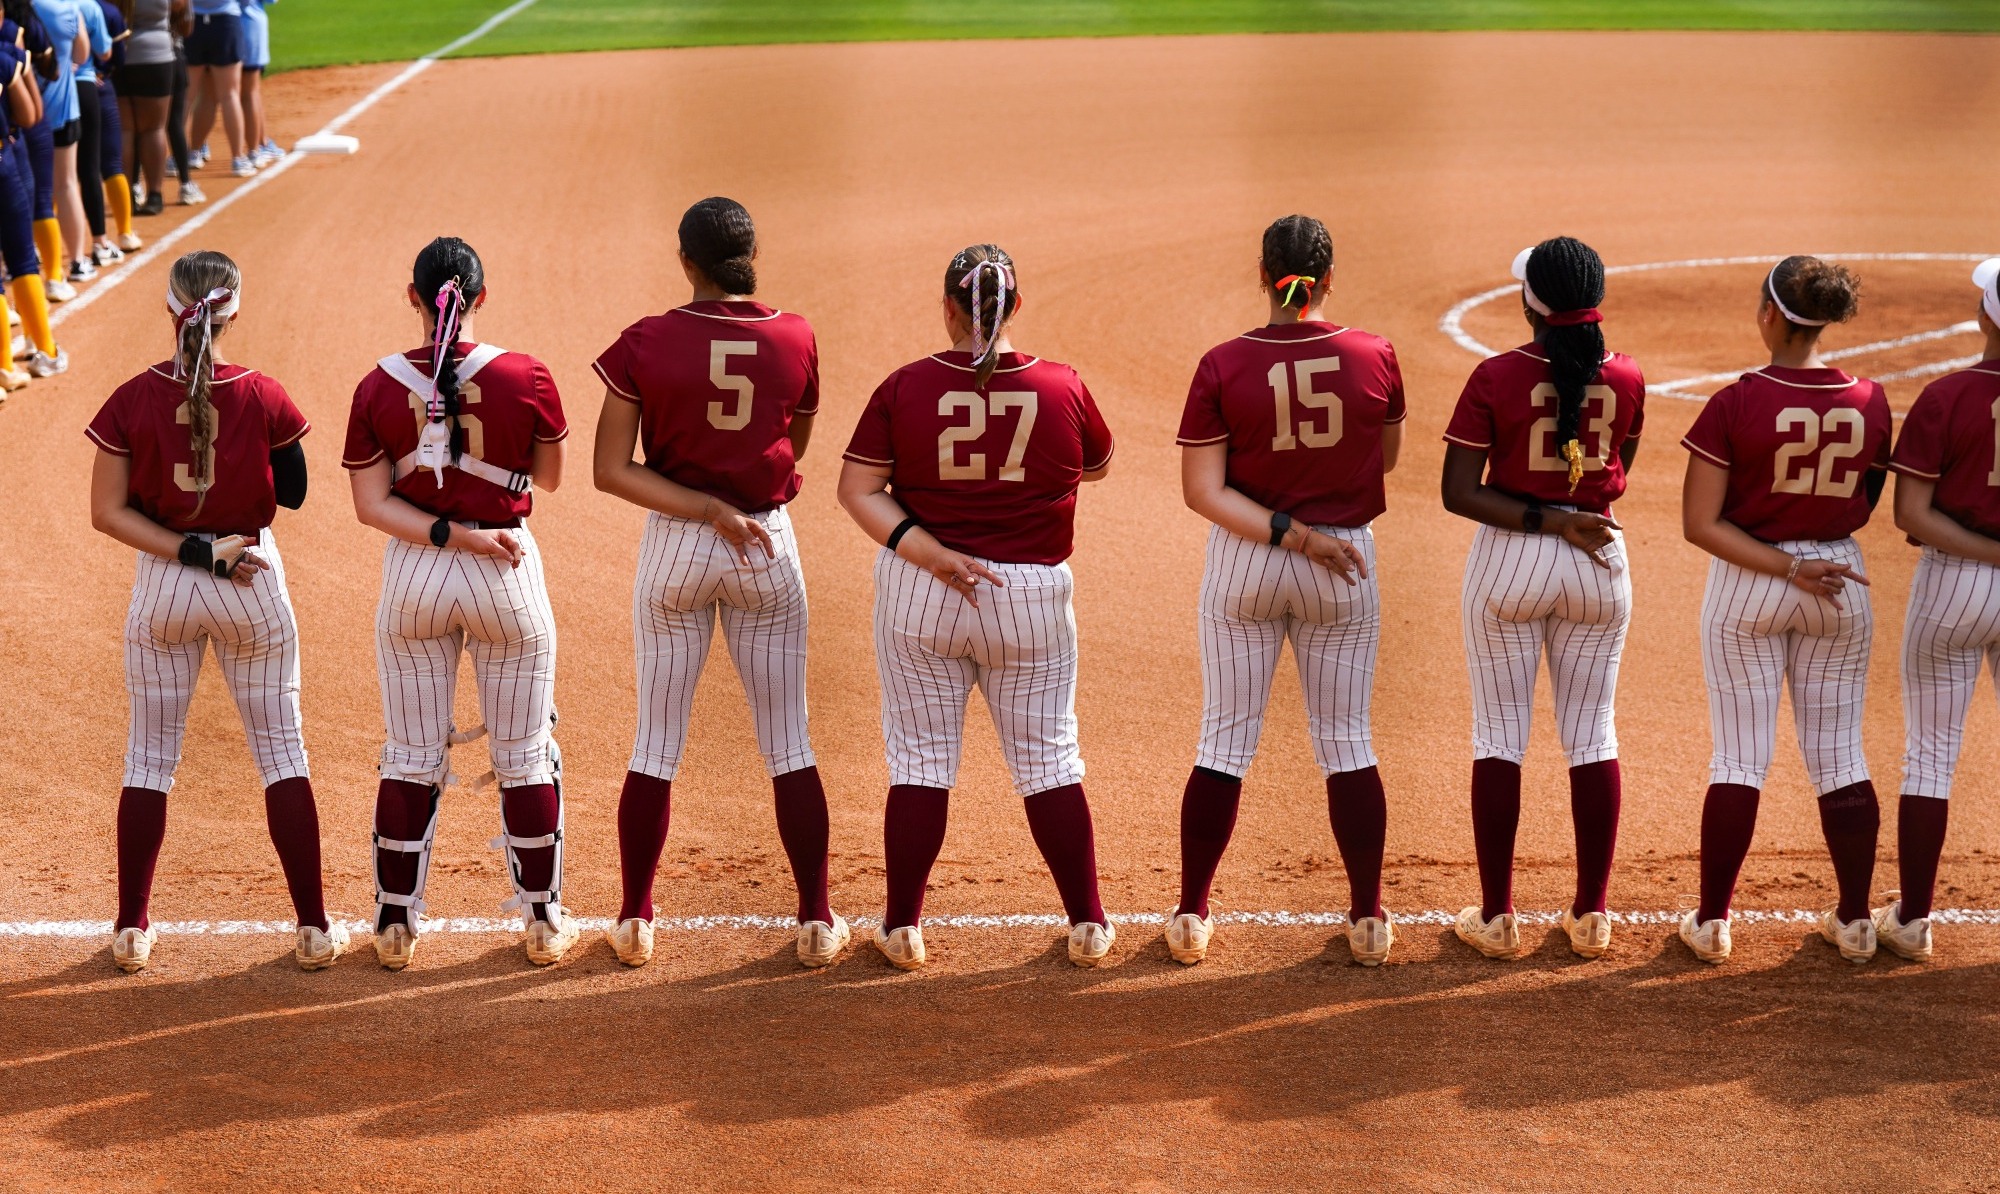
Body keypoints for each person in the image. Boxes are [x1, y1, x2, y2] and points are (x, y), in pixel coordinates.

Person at [838, 244, 1117, 970]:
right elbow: (1096, 463)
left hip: (922, 592)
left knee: (920, 761)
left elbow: (857, 490)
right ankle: (1088, 923)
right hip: (1027, 601)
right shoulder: (1062, 386)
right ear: (1016, 307)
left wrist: (927, 550)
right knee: (1051, 760)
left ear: (947, 308)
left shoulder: (905, 386)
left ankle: (902, 927)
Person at [591, 197, 844, 970]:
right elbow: (793, 444)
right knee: (789, 739)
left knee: (656, 741)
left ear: (685, 260)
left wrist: (702, 504)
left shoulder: (645, 341)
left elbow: (610, 471)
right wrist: (738, 495)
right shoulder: (794, 334)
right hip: (765, 542)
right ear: (752, 255)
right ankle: (816, 917)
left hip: (677, 545)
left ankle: (636, 917)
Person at [85, 248, 341, 974]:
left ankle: (132, 929)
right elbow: (290, 494)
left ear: (172, 312)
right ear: (232, 315)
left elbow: (107, 512)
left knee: (148, 758)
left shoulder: (130, 399)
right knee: (283, 755)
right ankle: (315, 929)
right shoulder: (263, 393)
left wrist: (189, 551)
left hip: (165, 584)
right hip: (251, 577)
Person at [1167, 214, 1404, 966]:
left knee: (1224, 740)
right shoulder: (1375, 354)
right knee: (1347, 742)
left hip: (1248, 560)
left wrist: (1286, 533)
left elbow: (1202, 491)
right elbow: (1384, 456)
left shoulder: (1222, 363)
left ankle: (1191, 914)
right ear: (1328, 278)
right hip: (1346, 564)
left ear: (1262, 273)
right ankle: (1368, 916)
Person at [344, 237, 573, 971]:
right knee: (525, 756)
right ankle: (541, 920)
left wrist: (445, 527)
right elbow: (550, 476)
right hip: (506, 566)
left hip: (416, 572)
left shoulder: (376, 387)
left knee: (410, 756)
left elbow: (370, 506)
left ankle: (393, 924)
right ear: (481, 296)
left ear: (414, 297)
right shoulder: (526, 374)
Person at [1678, 255, 1890, 966]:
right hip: (1840, 581)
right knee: (1839, 753)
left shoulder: (1735, 402)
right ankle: (1858, 921)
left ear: (1770, 314)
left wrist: (1786, 565)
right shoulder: (1872, 400)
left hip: (1752, 581)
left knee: (1740, 754)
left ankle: (1712, 923)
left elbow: (1702, 525)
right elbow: (1864, 503)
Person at [1440, 237, 1645, 961]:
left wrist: (1541, 518)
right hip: (1598, 555)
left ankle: (1497, 916)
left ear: (1530, 301)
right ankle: (1592, 914)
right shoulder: (1627, 376)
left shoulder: (1494, 375)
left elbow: (1458, 491)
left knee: (1500, 736)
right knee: (1595, 734)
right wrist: (1569, 513)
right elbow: (1618, 469)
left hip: (1511, 561)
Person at [1876, 259, 2000, 963]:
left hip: (1953, 586)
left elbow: (1911, 514)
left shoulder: (1945, 396)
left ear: (1986, 316)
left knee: (1929, 758)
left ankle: (1914, 919)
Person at [30, 0, 90, 287]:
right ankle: (77, 261)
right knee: (65, 185)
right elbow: (83, 52)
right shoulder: (65, 7)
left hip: (21, 114)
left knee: (26, 191)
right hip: (61, 110)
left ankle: (24, 261)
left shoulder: (14, 9)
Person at [0, 21, 45, 388]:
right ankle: (42, 350)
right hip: (3, 164)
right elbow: (31, 116)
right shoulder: (3, 59)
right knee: (21, 259)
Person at [116, 0, 184, 214]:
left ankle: (127, 195)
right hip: (155, 53)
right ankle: (154, 195)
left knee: (126, 130)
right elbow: (181, 8)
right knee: (154, 128)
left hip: (120, 54)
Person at [183, 0, 247, 177]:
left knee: (186, 97)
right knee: (230, 95)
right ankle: (237, 159)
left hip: (192, 23)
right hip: (226, 22)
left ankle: (179, 157)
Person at [90, 0, 135, 249]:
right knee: (112, 163)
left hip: (60, 93)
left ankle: (37, 247)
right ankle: (124, 232)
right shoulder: (107, 11)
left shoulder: (46, 8)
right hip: (100, 89)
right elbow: (119, 57)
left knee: (61, 174)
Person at [71, 0, 109, 265]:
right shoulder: (88, 5)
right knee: (89, 169)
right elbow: (104, 51)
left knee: (51, 177)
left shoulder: (37, 5)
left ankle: (39, 248)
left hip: (45, 92)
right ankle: (99, 242)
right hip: (83, 87)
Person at [237, 0, 271, 165]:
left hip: (208, 26)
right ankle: (257, 147)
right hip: (249, 26)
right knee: (250, 91)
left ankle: (196, 148)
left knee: (207, 93)